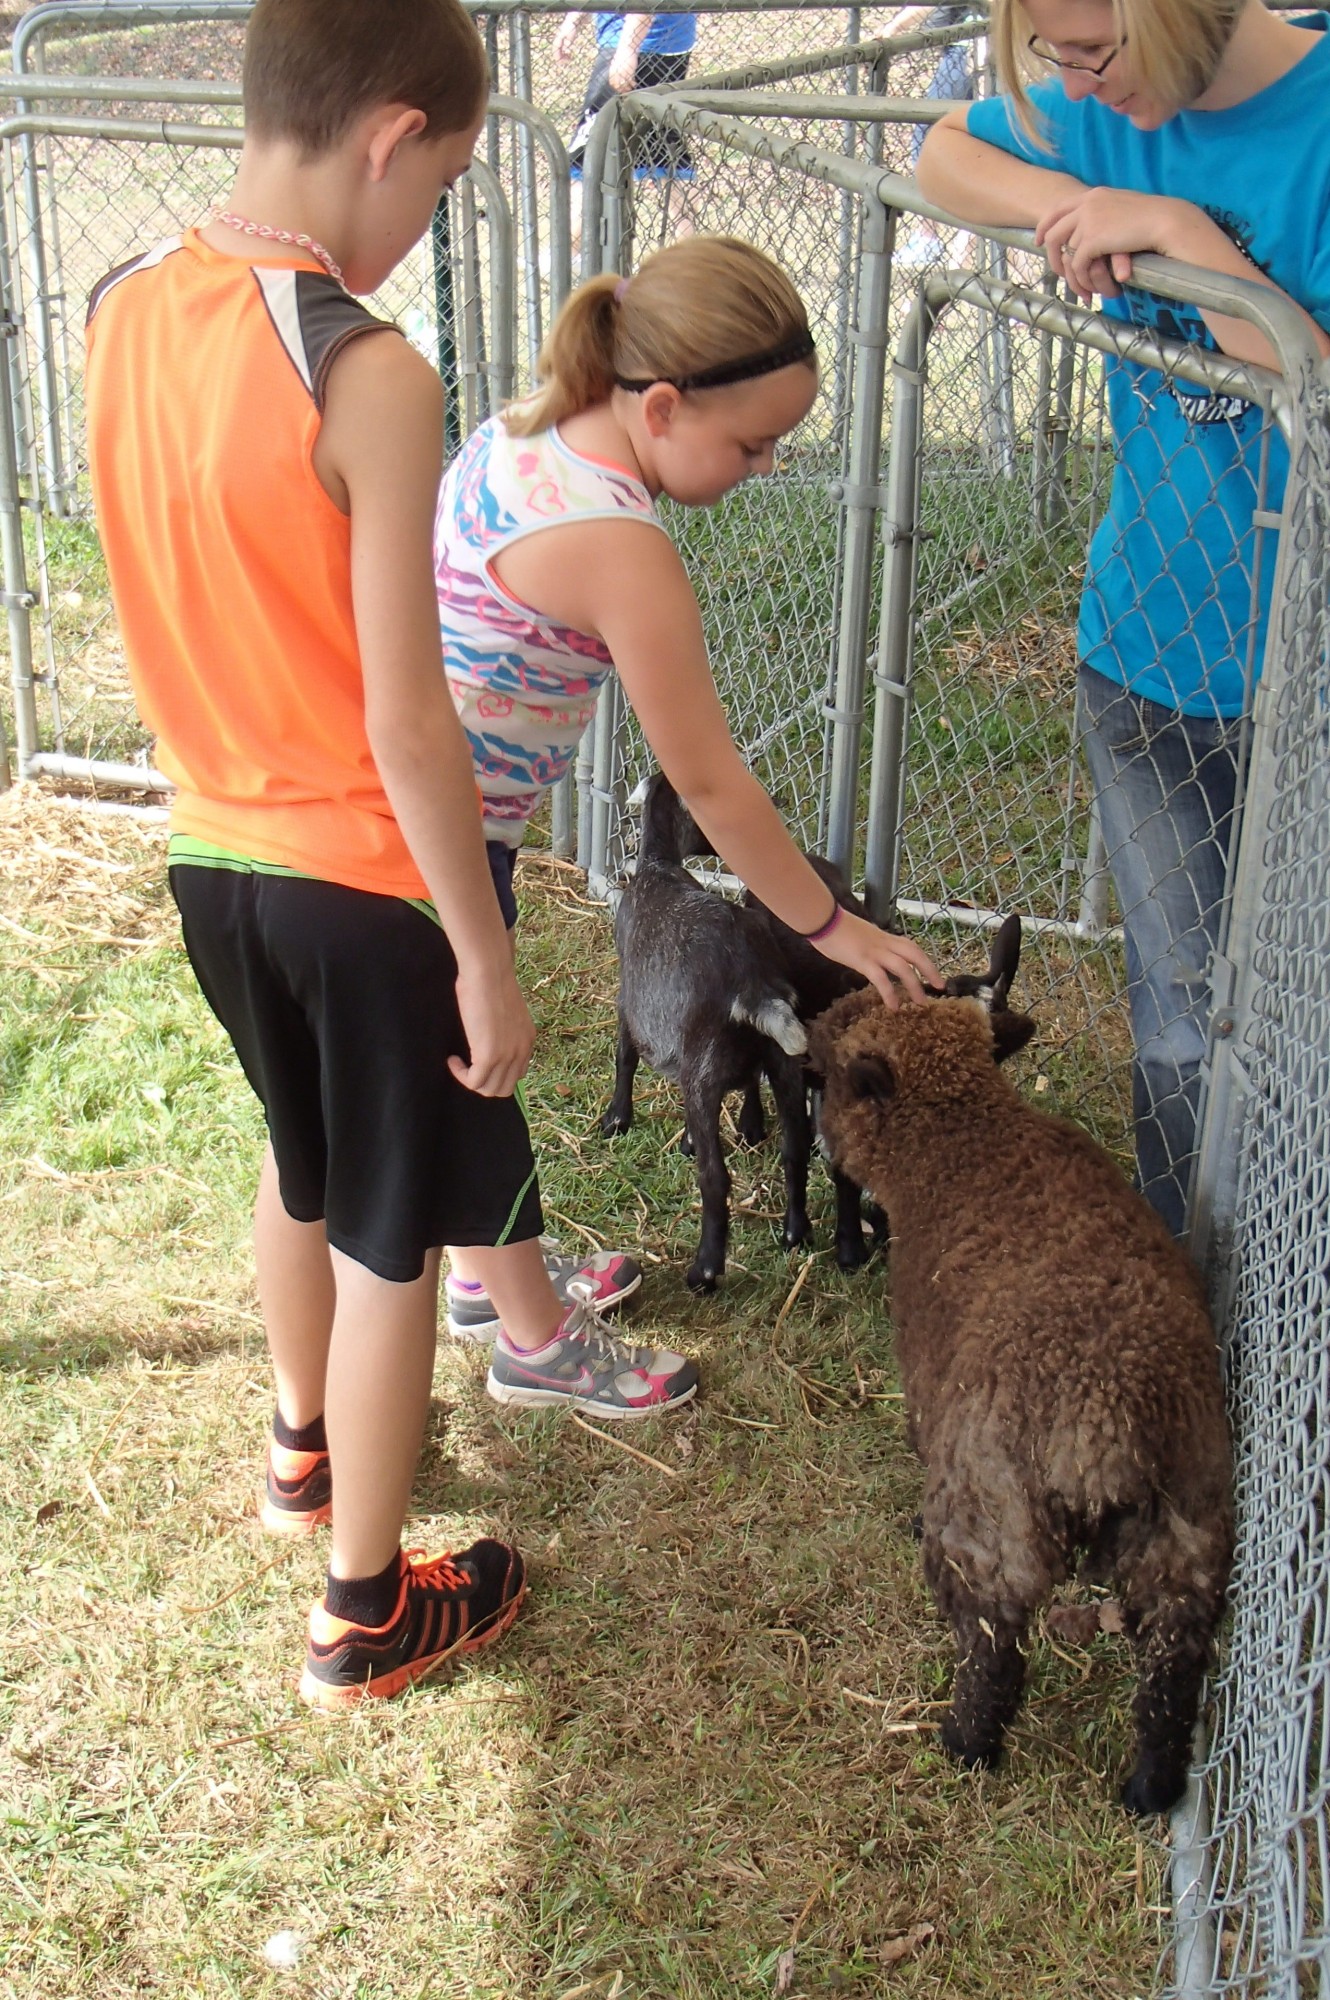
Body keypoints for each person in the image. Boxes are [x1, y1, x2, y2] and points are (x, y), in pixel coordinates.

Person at [83, 0, 696, 1714]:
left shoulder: (126, 303)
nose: (429, 214)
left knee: (299, 1164)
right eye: (442, 178)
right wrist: (481, 951)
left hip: (211, 850)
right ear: (387, 136)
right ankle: (366, 1605)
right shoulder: (366, 364)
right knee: (389, 1245)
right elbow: (411, 717)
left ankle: (303, 1452)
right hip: (359, 875)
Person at [917, 0, 1330, 1234]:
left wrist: (1178, 240)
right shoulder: (1101, 101)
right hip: (1142, 659)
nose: (1078, 89)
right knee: (1178, 1029)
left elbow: (1310, 394)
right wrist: (1062, 210)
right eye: (1054, 58)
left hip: (1302, 682)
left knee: (1301, 1031)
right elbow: (942, 151)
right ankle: (1188, 1291)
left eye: (1099, 53)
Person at [433, 235, 943, 1093]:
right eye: (753, 444)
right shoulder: (621, 546)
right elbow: (707, 781)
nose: (768, 464)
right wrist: (831, 929)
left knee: (361, 1145)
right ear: (662, 408)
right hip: (443, 852)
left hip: (381, 816)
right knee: (440, 1142)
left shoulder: (521, 431)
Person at [556, 8, 698, 254]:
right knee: (662, 154)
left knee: (590, 155)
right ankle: (693, 253)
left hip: (641, 43)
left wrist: (627, 50)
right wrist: (574, 19)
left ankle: (566, 256)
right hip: (654, 43)